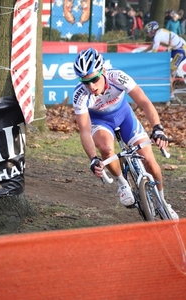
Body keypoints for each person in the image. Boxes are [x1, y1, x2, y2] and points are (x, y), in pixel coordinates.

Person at [72, 47, 179, 220]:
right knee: (106, 150)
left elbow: (144, 101)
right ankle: (123, 184)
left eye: (94, 79)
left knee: (149, 161)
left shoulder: (117, 77)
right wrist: (93, 158)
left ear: (103, 71)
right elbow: (84, 131)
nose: (91, 86)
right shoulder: (80, 95)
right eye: (86, 82)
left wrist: (157, 128)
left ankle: (163, 201)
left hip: (124, 116)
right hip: (101, 122)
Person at [142, 21, 186, 100]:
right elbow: (153, 45)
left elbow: (154, 53)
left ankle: (171, 95)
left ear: (152, 31)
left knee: (168, 74)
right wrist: (143, 52)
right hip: (178, 48)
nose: (146, 34)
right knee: (167, 71)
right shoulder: (159, 32)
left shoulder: (157, 37)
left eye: (147, 32)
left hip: (180, 51)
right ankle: (170, 91)